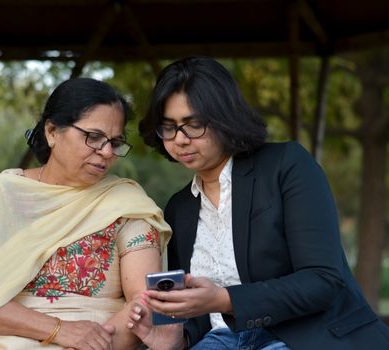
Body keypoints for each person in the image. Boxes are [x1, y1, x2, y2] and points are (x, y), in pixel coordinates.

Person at [126, 56, 389, 349]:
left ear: (224, 118)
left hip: (302, 335)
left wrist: (226, 299)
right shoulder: (180, 207)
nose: (180, 139)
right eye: (169, 127)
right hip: (220, 340)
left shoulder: (287, 165)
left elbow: (323, 279)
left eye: (193, 124)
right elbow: (199, 314)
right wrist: (177, 337)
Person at [0, 77, 171, 350]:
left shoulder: (126, 203)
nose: (106, 152)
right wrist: (61, 331)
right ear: (51, 132)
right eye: (93, 137)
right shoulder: (2, 196)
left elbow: (144, 303)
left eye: (115, 141)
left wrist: (90, 345)